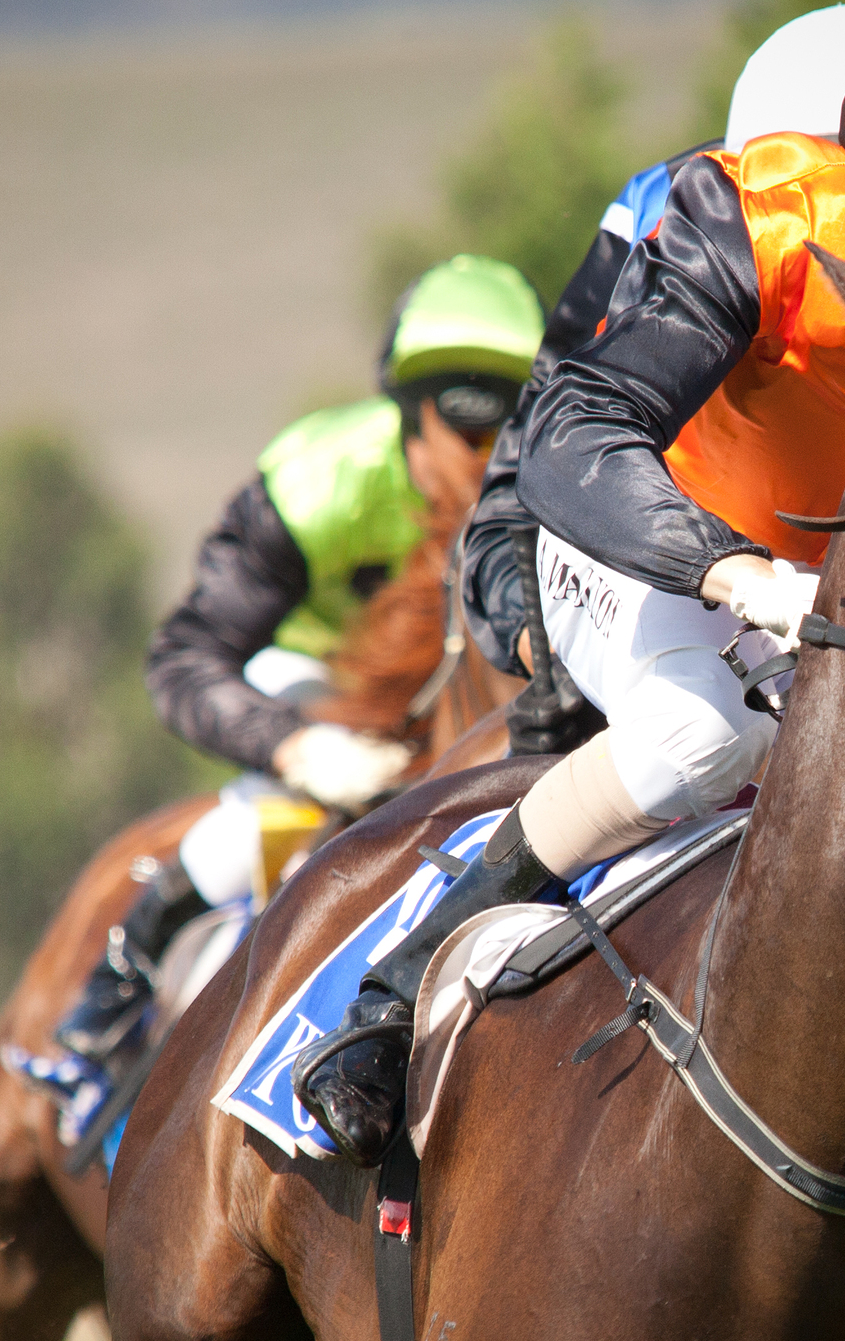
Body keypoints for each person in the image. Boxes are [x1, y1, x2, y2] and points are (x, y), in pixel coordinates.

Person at [301, 0, 845, 1301]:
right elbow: (569, 432)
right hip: (653, 537)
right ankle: (390, 993)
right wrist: (721, 572)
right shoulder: (717, 214)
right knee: (709, 729)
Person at [50, 254, 547, 1060]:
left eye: (515, 429)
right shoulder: (317, 487)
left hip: (466, 713)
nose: (494, 462)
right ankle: (126, 972)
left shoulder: (547, 490)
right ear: (411, 415)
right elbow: (185, 658)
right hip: (317, 690)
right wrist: (298, 746)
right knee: (272, 817)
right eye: (471, 431)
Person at [462, 4, 845, 750]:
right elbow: (529, 466)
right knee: (693, 744)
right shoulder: (673, 213)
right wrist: (540, 646)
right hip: (664, 574)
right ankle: (500, 869)